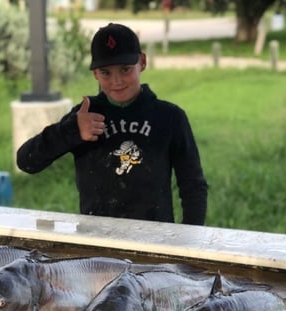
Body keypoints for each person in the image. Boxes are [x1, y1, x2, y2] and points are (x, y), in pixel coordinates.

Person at [16, 23, 208, 225]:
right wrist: (71, 130)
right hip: (96, 241)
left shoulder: (170, 118)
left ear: (142, 62)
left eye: (125, 69)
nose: (116, 81)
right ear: (95, 74)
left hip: (154, 240)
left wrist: (188, 241)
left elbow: (193, 186)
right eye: (106, 72)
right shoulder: (85, 116)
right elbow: (26, 162)